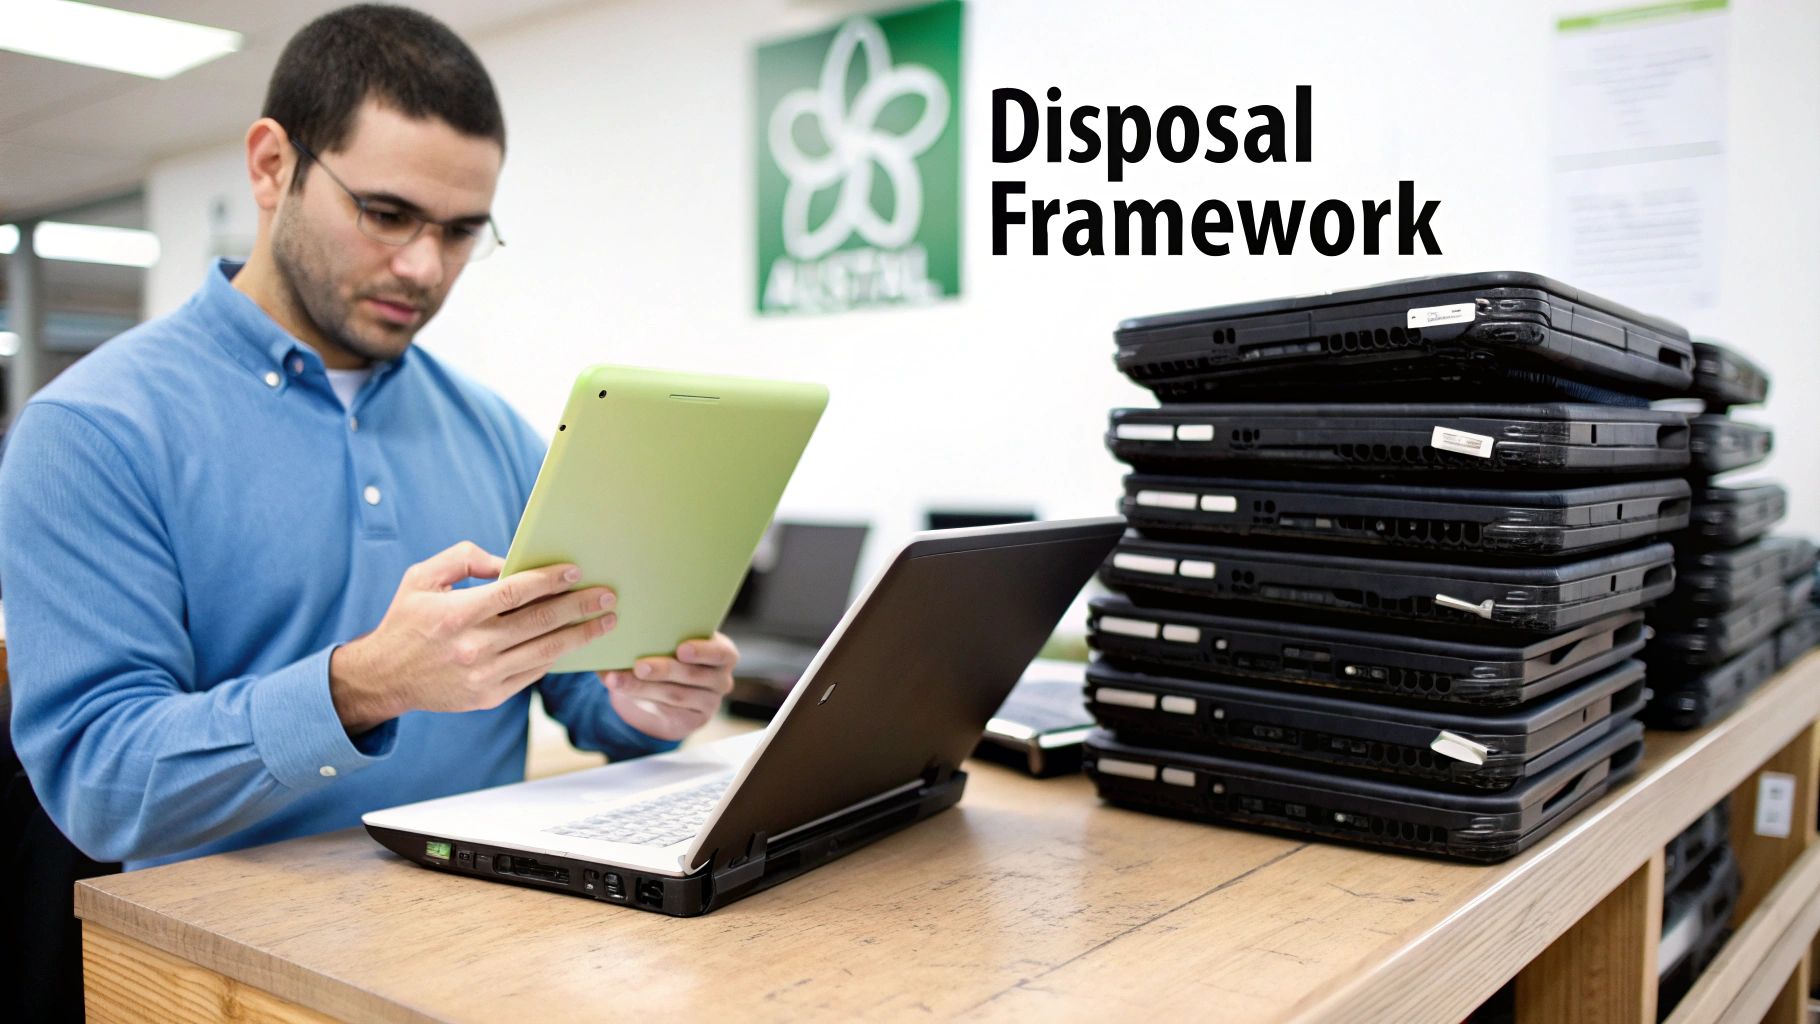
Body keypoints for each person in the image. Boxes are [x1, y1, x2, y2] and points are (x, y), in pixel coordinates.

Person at [0, 3, 738, 878]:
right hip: (220, 968)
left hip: (480, 933)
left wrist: (647, 704)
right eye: (386, 214)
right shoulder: (89, 433)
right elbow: (101, 786)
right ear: (273, 166)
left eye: (462, 230)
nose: (425, 267)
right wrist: (364, 685)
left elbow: (578, 686)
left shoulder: (497, 433)